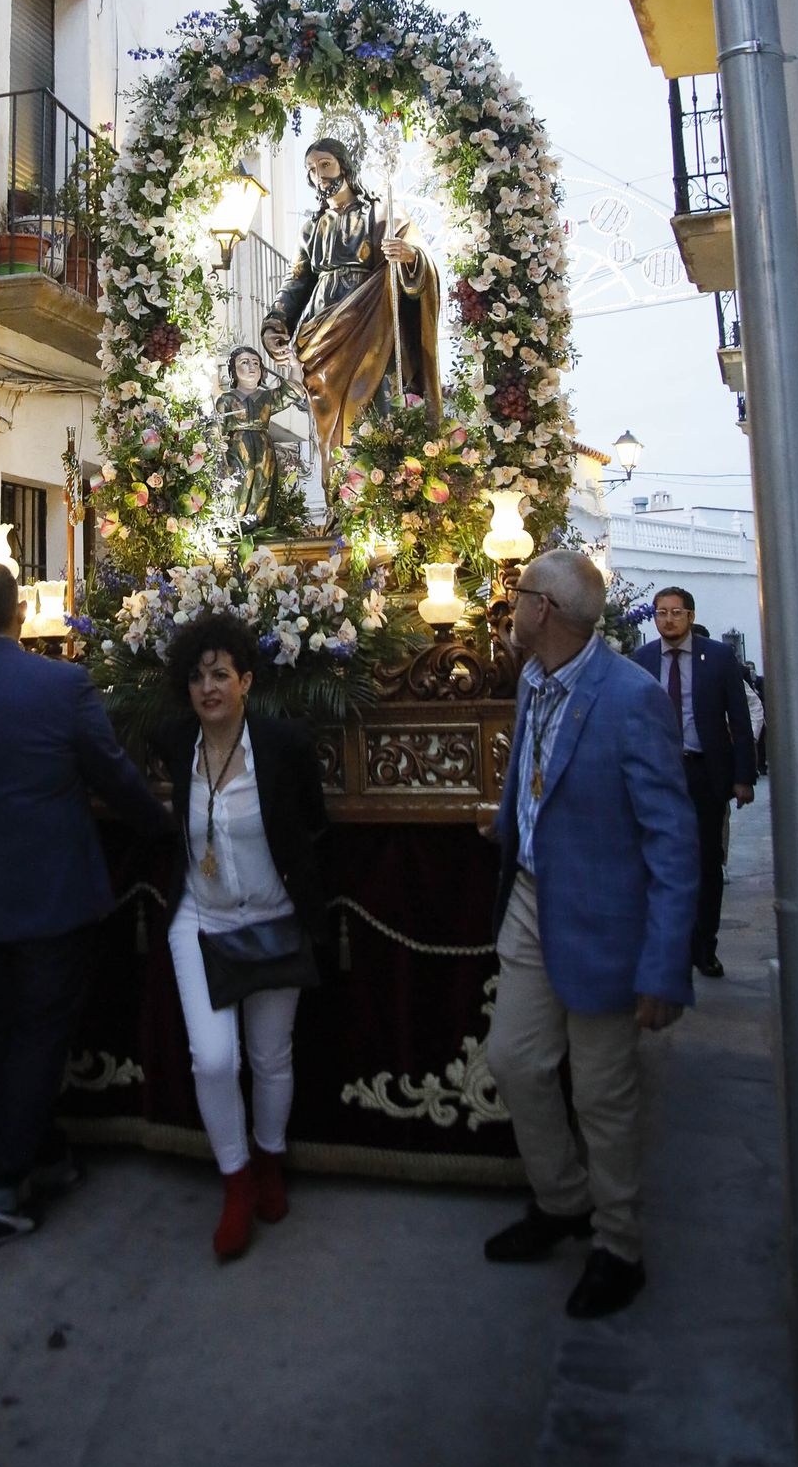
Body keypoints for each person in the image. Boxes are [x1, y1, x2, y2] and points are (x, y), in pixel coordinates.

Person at [0, 559, 174, 1248]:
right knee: (42, 1034)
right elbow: (111, 772)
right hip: (50, 889)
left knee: (10, 1028)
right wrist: (160, 825)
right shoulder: (60, 683)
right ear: (21, 614)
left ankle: (45, 1151)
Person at [484, 549, 698, 1319]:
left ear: (544, 610)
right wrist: (509, 826)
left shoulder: (631, 698)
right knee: (514, 1059)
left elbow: (672, 839)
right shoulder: (533, 679)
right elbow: (537, 778)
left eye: (518, 594)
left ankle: (619, 1246)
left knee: (603, 1093)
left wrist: (664, 967)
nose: (510, 604)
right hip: (532, 898)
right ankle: (562, 1200)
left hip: (606, 920)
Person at [155, 611, 328, 1263]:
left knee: (270, 1055)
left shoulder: (282, 746)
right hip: (200, 917)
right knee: (214, 1059)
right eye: (198, 677)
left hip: (274, 917)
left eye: (221, 675)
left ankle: (270, 1161)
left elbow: (312, 822)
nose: (209, 688)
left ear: (247, 681)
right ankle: (236, 1180)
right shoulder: (176, 741)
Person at [260, 137, 442, 493]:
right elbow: (296, 281)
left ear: (344, 165)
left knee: (377, 411)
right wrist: (275, 324)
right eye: (311, 169)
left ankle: (383, 496)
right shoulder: (312, 228)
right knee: (332, 432)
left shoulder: (382, 213)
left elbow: (421, 258)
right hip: (322, 337)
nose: (319, 175)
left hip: (374, 327)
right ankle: (342, 499)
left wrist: (409, 257)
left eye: (325, 165)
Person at [636, 587, 757, 979]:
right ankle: (671, 945)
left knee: (706, 861)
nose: (668, 619)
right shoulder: (642, 660)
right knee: (661, 860)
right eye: (661, 613)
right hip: (659, 774)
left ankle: (705, 946)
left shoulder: (717, 658)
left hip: (704, 772)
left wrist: (743, 777)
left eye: (676, 612)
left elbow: (739, 718)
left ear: (690, 616)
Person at [215, 345, 304, 531]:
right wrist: (216, 441)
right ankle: (235, 528)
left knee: (263, 487)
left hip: (264, 453)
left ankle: (260, 527)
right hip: (238, 452)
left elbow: (292, 391)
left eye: (256, 363)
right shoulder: (227, 399)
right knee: (239, 486)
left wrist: (295, 366)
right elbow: (216, 425)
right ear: (233, 370)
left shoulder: (266, 397)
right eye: (244, 362)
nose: (251, 367)